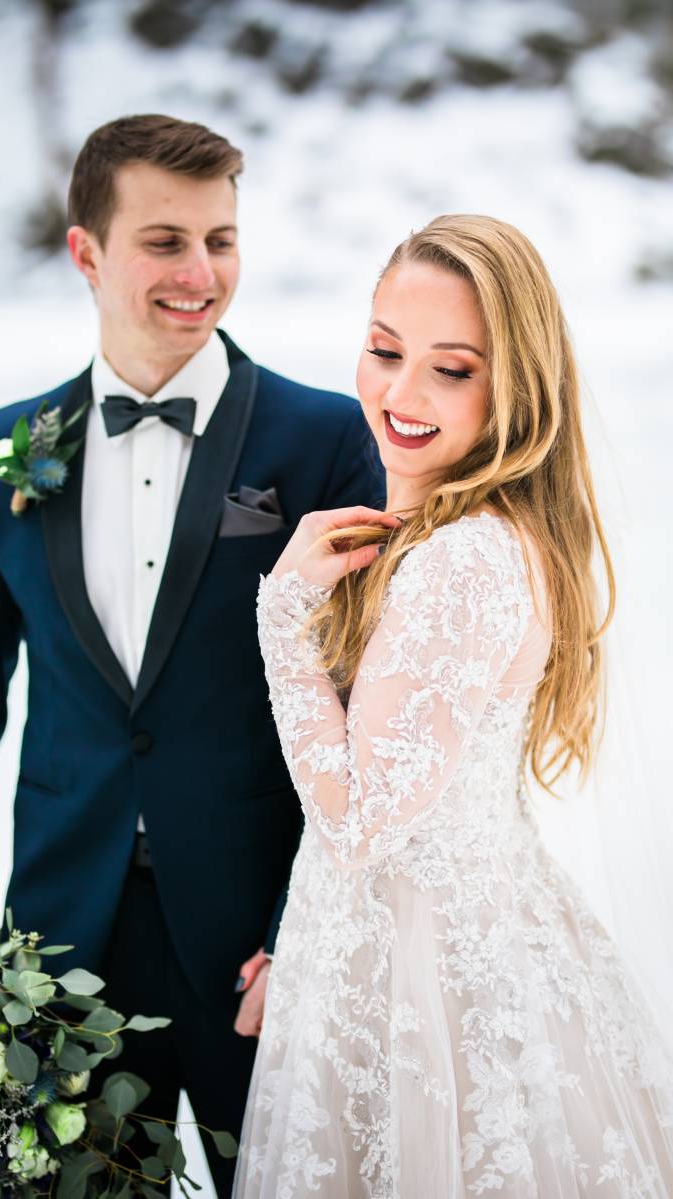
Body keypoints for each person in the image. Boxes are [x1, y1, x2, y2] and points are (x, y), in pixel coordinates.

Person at [0, 114, 382, 1196]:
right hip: (60, 944)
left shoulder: (322, 439)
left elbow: (366, 711)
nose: (200, 272)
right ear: (87, 253)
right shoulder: (3, 453)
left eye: (221, 238)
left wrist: (303, 931)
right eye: (165, 240)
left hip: (258, 944)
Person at [234, 215, 673, 1197]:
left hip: (431, 983)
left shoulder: (464, 557)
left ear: (512, 384)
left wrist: (281, 614)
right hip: (398, 949)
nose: (398, 394)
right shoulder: (460, 528)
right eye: (385, 349)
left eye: (451, 369)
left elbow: (355, 821)